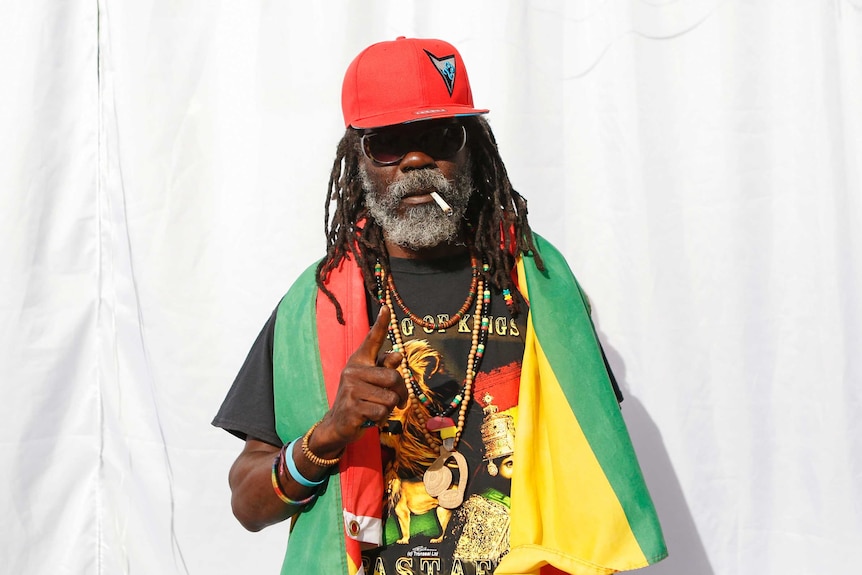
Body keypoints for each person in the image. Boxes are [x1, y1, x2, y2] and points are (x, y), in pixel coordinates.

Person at [213, 37, 666, 575]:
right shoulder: (317, 305)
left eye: (439, 136)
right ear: (357, 159)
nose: (415, 159)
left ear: (472, 148)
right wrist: (330, 431)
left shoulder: (539, 286)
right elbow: (247, 504)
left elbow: (593, 460)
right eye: (387, 143)